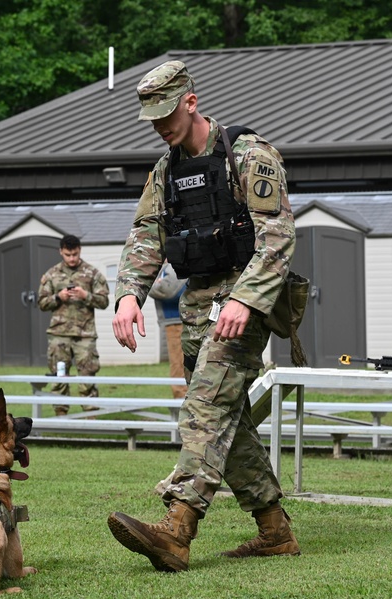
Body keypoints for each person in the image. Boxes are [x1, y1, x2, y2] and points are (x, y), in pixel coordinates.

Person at [107, 60, 300, 572]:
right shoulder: (165, 171)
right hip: (198, 304)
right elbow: (145, 235)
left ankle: (178, 526)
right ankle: (274, 531)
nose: (161, 126)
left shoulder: (249, 155)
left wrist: (245, 299)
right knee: (227, 419)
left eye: (168, 113)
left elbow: (278, 238)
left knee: (206, 405)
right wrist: (129, 294)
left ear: (191, 101)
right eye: (152, 118)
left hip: (246, 301)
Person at [37, 235, 110, 415]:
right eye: (68, 254)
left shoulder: (92, 273)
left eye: (75, 254)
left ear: (80, 251)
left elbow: (104, 301)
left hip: (85, 335)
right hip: (59, 335)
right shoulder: (51, 275)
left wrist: (86, 296)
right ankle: (61, 416)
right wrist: (57, 297)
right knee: (59, 377)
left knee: (87, 377)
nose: (71, 258)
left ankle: (90, 416)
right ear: (61, 252)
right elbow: (41, 303)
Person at [148, 261, 188, 399]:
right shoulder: (167, 266)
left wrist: (150, 283)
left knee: (178, 367)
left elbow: (165, 289)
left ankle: (180, 406)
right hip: (175, 321)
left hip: (177, 322)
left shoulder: (174, 265)